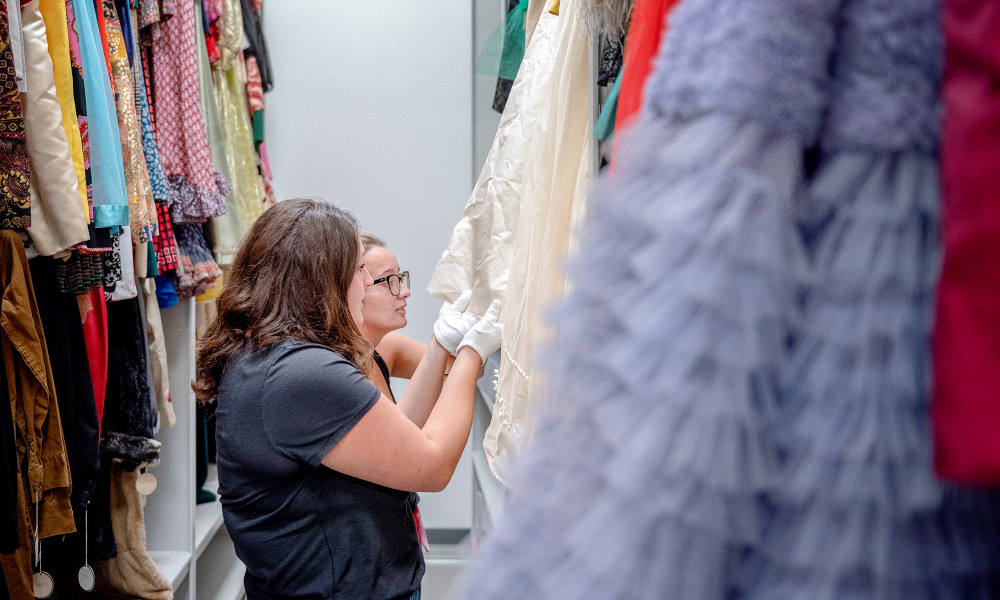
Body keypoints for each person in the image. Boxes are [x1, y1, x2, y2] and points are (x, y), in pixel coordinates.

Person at [193, 198, 502, 600]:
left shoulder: (273, 356)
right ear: (324, 279)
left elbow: (395, 441)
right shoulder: (304, 374)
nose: (366, 282)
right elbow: (433, 464)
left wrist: (444, 345)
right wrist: (472, 352)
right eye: (359, 270)